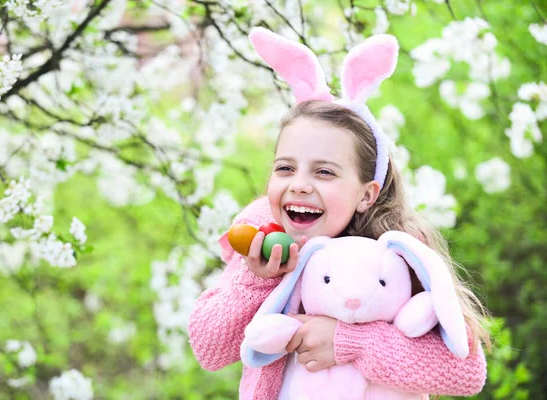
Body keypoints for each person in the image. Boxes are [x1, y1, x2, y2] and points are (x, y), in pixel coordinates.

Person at [188, 27, 488, 400]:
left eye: (324, 172)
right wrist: (256, 280)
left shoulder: (395, 252)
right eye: (285, 168)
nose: (298, 184)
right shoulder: (264, 241)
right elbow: (209, 348)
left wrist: (349, 341)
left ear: (366, 194)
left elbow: (464, 372)